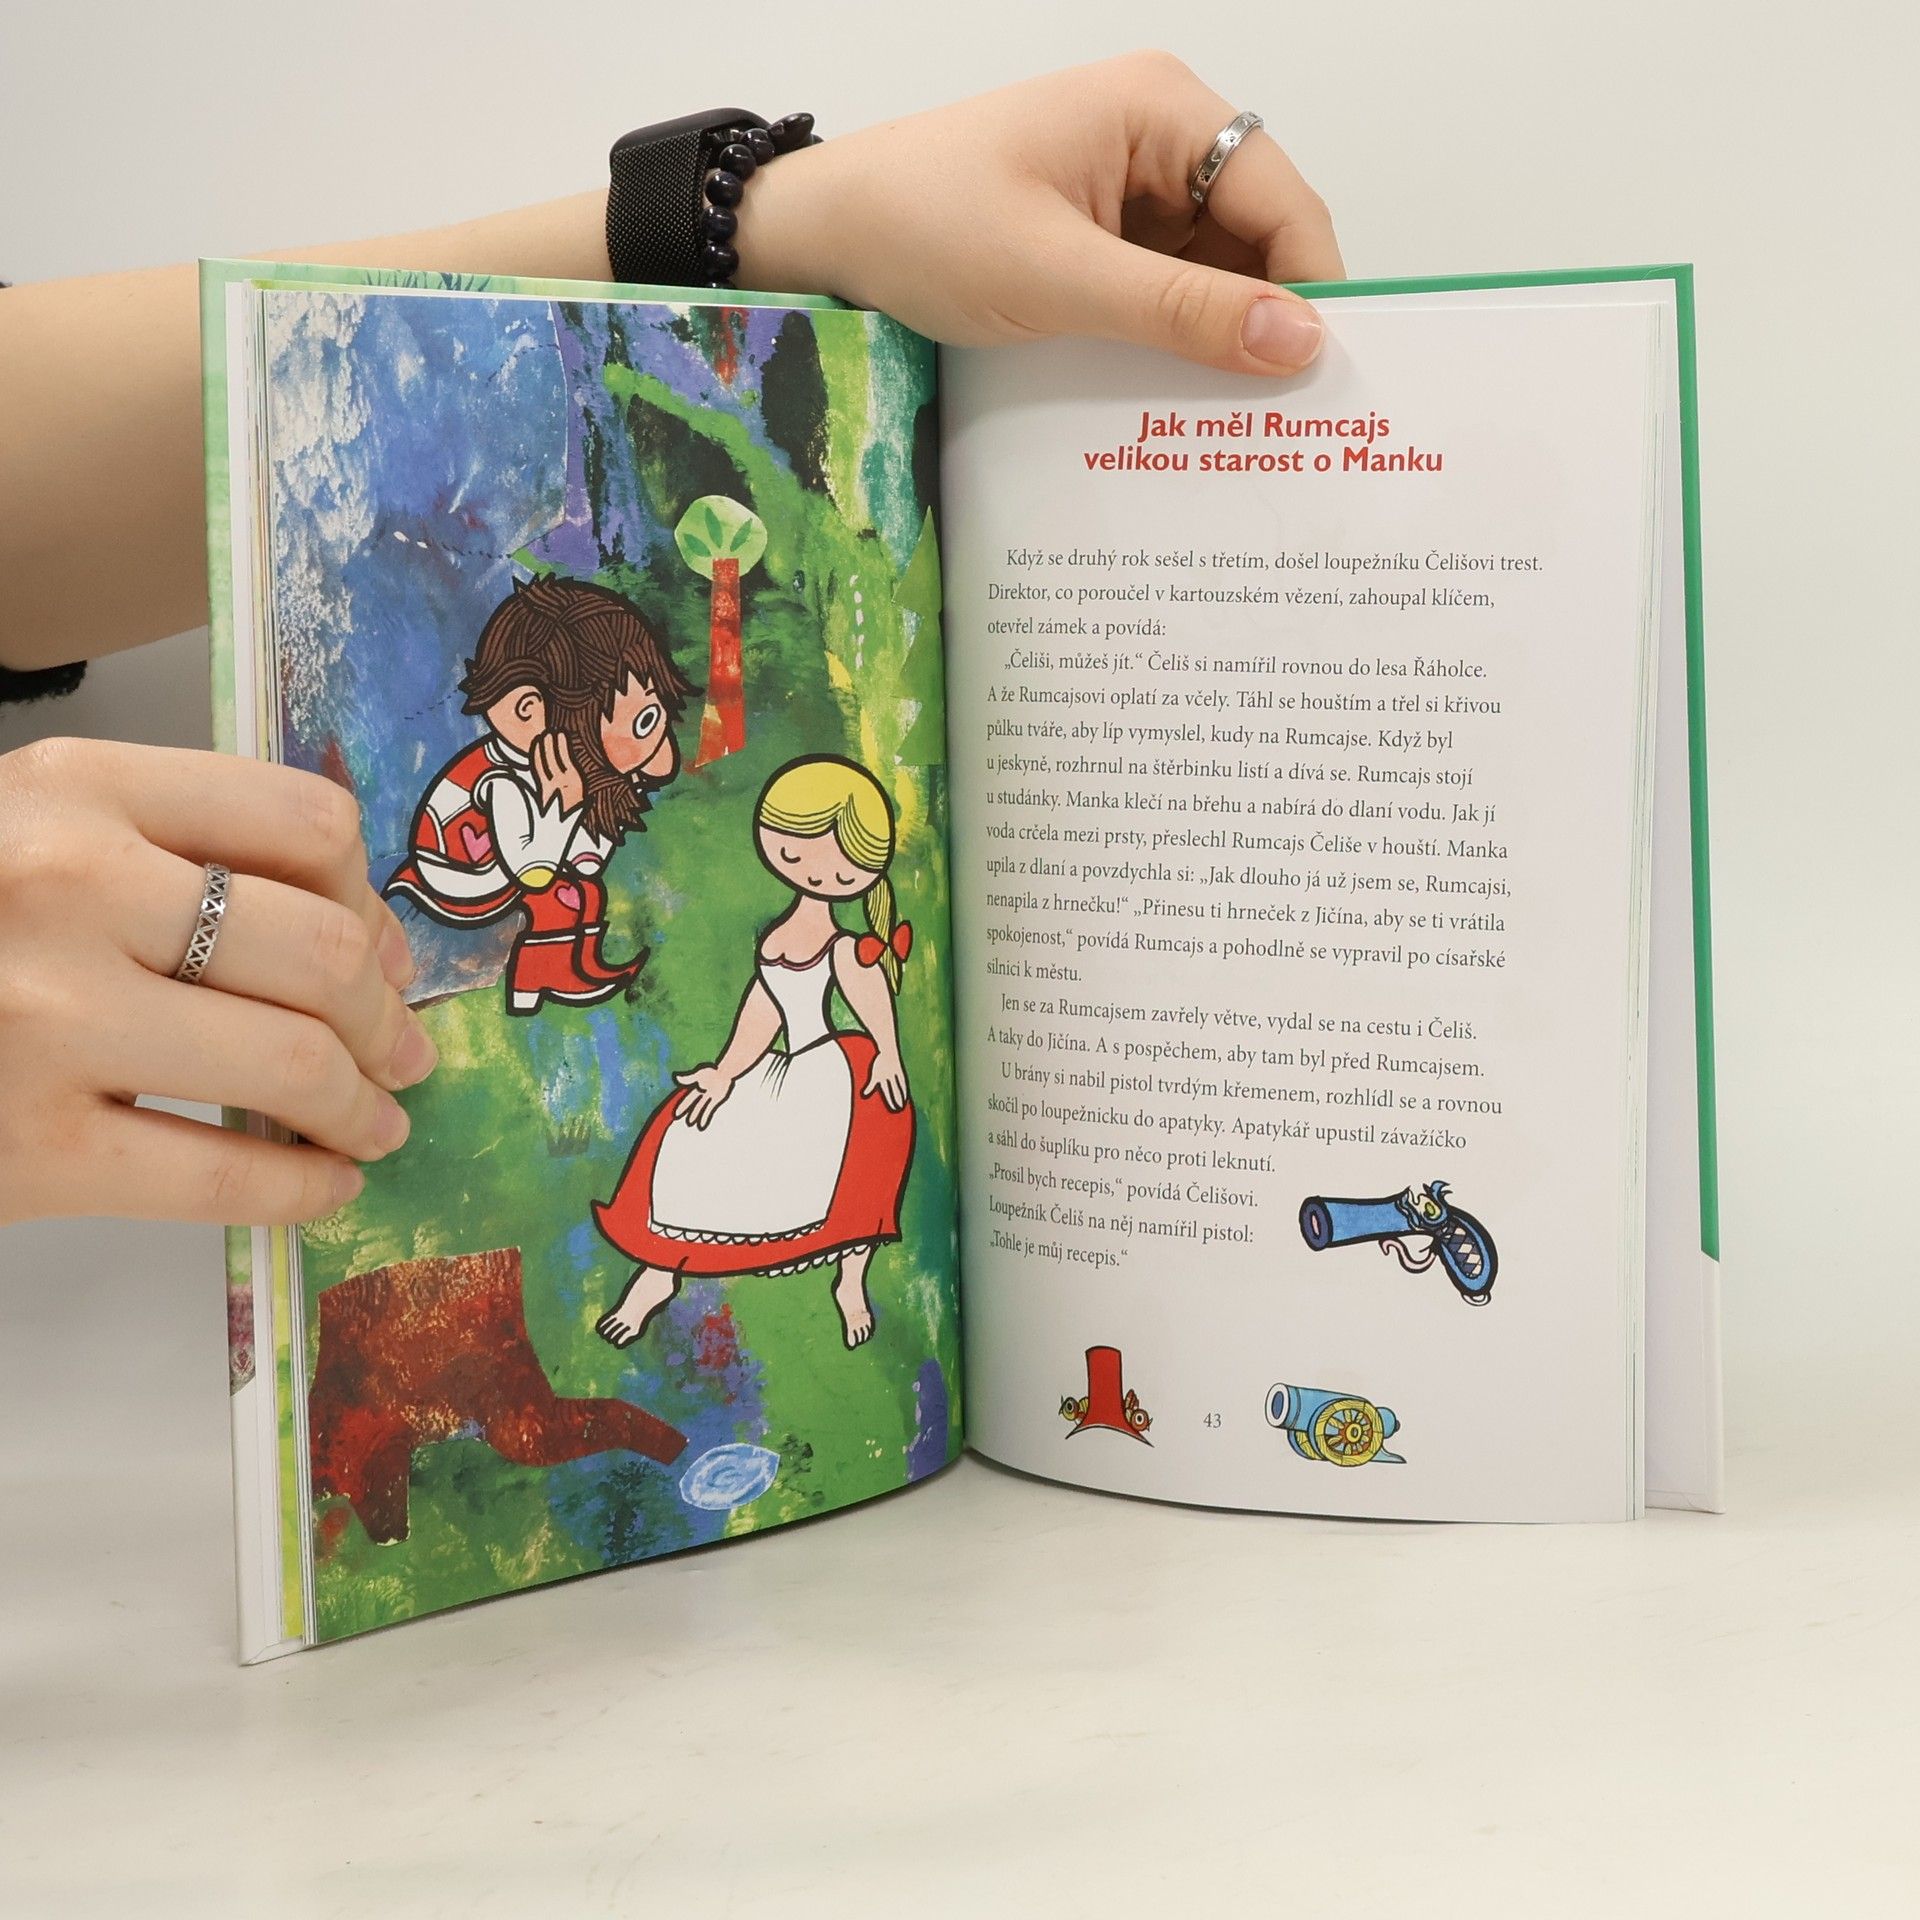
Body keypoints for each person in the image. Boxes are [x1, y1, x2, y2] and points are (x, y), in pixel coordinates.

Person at [0, 51, 1343, 1228]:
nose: (655, 730)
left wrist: (770, 222)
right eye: (632, 711)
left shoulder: (648, 796)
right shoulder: (526, 787)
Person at [593, 756, 914, 1351]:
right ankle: (655, 1277)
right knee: (690, 1140)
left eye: (839, 866)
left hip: (828, 1070)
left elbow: (870, 994)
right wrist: (725, 1071)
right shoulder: (775, 937)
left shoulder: (844, 946)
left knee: (855, 1175)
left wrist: (889, 1053)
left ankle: (850, 1281)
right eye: (795, 851)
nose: (815, 872)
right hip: (778, 1070)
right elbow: (762, 1011)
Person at [383, 576, 697, 1017]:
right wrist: (567, 803)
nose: (659, 751)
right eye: (643, 723)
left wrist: (614, 789)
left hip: (516, 860)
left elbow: (584, 861)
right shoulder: (502, 783)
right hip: (463, 876)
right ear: (529, 710)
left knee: (585, 893)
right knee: (559, 897)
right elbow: (533, 870)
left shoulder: (554, 768)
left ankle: (566, 969)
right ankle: (536, 978)